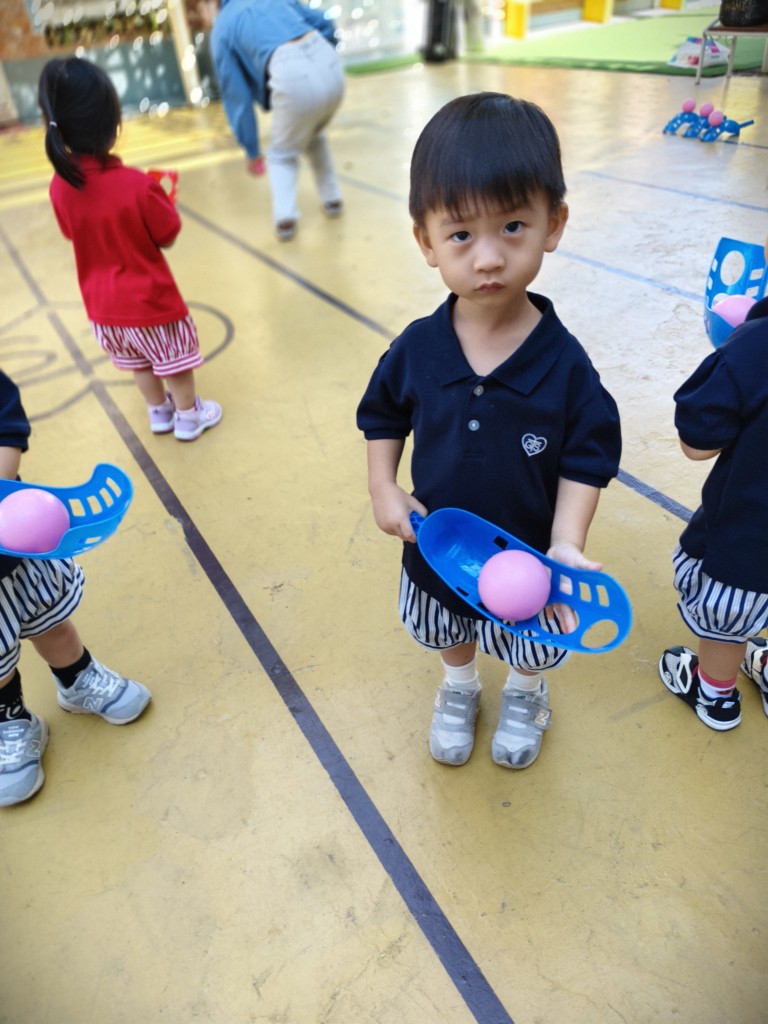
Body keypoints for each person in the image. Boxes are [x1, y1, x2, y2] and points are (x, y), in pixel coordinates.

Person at [356, 93, 622, 769]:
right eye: (461, 235)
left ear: (553, 224)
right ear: (426, 241)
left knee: (529, 637)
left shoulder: (564, 364)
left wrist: (566, 542)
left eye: (512, 226)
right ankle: (460, 683)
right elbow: (382, 414)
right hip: (437, 548)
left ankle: (526, 691)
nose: (488, 259)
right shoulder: (418, 348)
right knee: (446, 622)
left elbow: (588, 456)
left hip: (531, 560)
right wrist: (383, 486)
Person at [38, 57, 222, 443]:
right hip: (151, 303)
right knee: (173, 362)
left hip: (104, 309)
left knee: (140, 363)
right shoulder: (137, 185)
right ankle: (189, 416)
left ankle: (159, 412)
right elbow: (167, 233)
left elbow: (72, 232)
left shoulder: (59, 186)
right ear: (112, 124)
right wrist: (164, 203)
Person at [0, 371, 151, 807]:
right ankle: (11, 721)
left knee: (52, 625)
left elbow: (6, 425)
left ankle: (77, 679)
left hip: (15, 548)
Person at [658, 234, 768, 731]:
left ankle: (716, 697)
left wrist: (731, 354)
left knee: (728, 616)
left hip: (749, 535)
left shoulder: (754, 345)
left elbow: (697, 442)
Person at [211, 0, 345, 242]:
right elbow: (323, 21)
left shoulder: (222, 25)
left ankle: (285, 219)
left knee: (281, 154)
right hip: (328, 60)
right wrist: (326, 55)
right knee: (311, 132)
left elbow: (236, 96)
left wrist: (251, 149)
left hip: (291, 72)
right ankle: (332, 198)